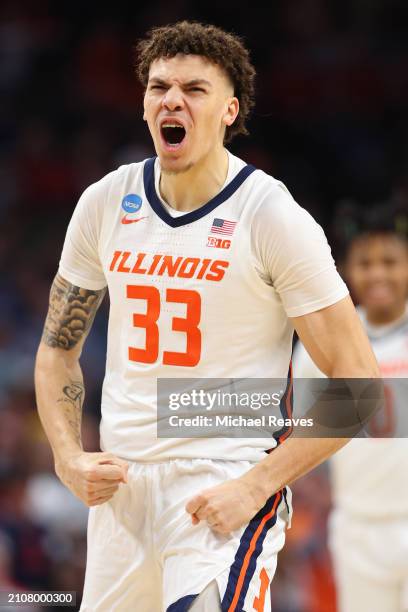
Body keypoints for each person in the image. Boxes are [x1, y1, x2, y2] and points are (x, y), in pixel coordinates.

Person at [34, 21, 379, 612]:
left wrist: (256, 485)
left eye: (194, 89)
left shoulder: (271, 216)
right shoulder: (103, 202)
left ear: (229, 111)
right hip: (122, 489)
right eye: (159, 86)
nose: (172, 99)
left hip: (222, 478)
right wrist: (68, 457)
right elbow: (57, 349)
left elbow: (359, 386)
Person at [293, 215, 408, 612]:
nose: (377, 273)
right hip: (357, 523)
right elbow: (304, 429)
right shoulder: (321, 343)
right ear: (346, 270)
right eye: (365, 262)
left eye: (390, 262)